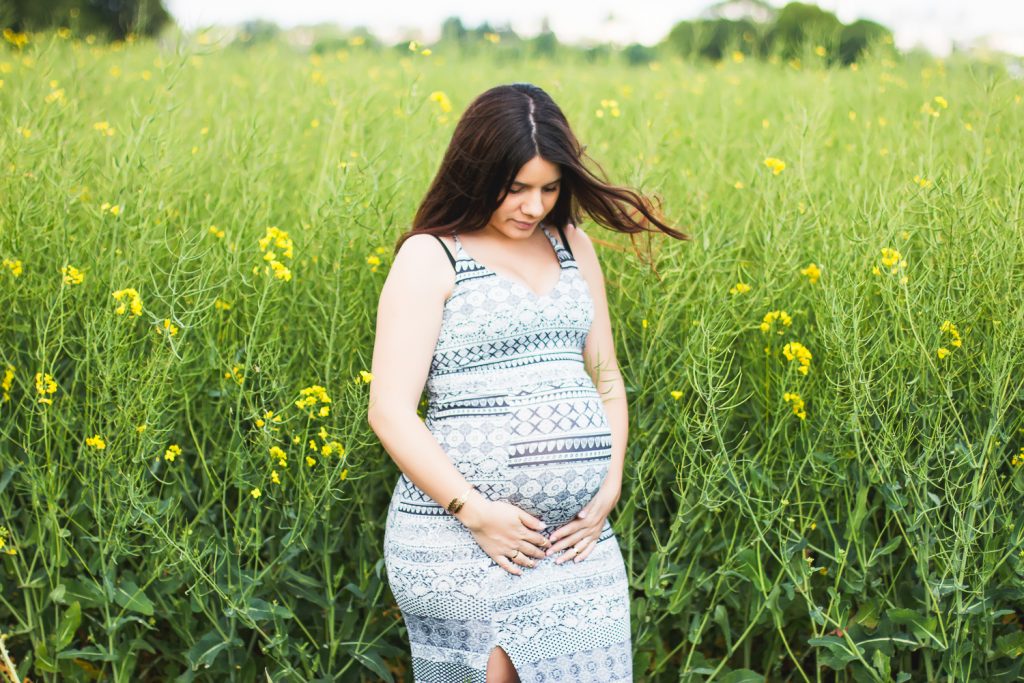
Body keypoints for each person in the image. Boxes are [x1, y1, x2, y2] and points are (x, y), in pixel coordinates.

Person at [368, 82, 688, 682]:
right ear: (475, 172)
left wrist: (609, 487)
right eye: (515, 188)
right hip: (462, 539)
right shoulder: (431, 256)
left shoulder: (572, 245)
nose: (534, 206)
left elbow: (606, 377)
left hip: (576, 541)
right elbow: (389, 410)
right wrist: (475, 512)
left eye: (549, 188)